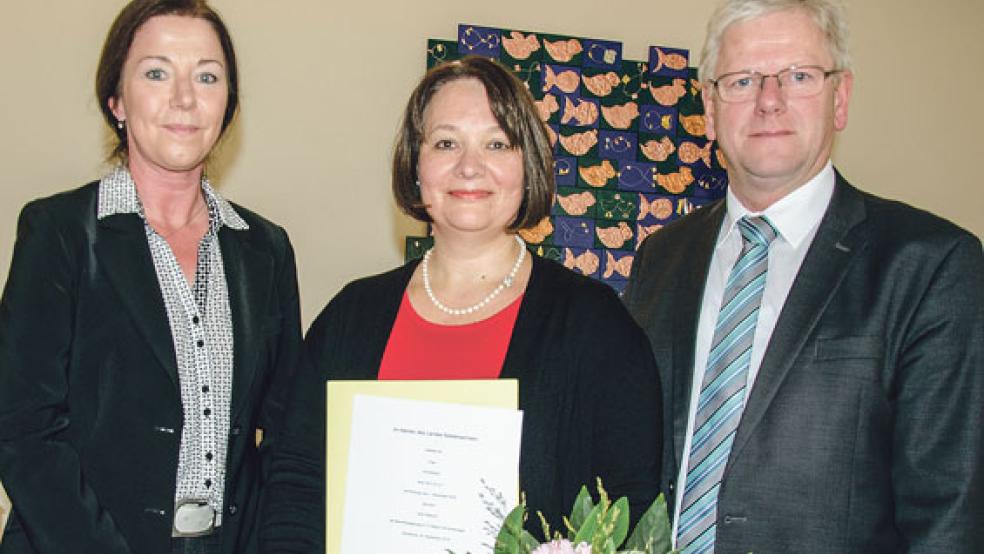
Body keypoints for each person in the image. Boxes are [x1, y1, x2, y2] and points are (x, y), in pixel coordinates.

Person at [260, 55, 662, 552]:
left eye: (497, 143)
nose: (470, 166)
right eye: (446, 142)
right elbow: (296, 483)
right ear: (415, 165)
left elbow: (628, 509)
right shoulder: (351, 316)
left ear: (528, 164)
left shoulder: (596, 327)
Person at [623, 0, 984, 552]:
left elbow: (949, 514)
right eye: (742, 81)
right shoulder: (661, 257)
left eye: (798, 76)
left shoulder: (930, 265)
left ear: (840, 99)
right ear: (711, 109)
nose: (770, 101)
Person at [0, 1, 301, 553]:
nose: (184, 98)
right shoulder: (59, 232)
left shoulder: (267, 249)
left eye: (207, 76)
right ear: (116, 99)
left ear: (227, 104)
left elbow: (285, 436)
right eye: (157, 72)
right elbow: (22, 430)